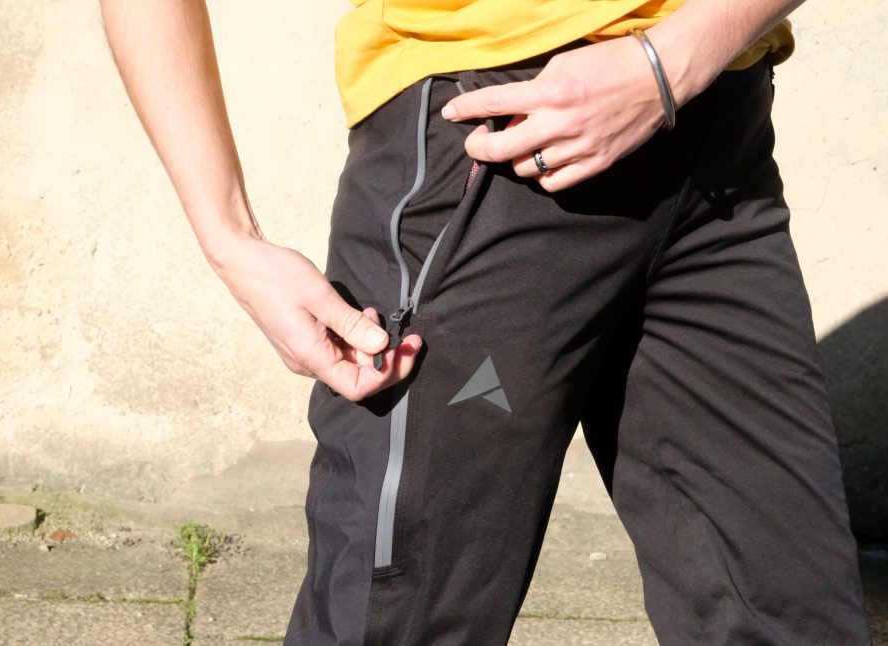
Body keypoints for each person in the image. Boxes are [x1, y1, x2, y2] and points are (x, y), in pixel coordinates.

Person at [100, 1, 873, 644]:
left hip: (717, 131)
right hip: (497, 146)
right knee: (403, 621)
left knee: (792, 614)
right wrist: (229, 237)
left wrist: (671, 62)